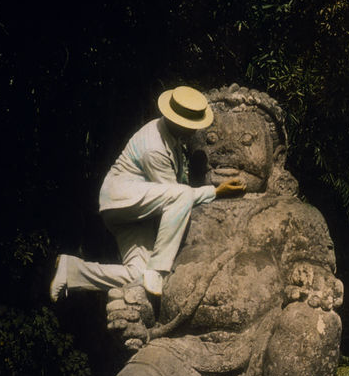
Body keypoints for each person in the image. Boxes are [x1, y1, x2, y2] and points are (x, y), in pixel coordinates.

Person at [50, 86, 246, 301]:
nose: (194, 131)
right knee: (180, 196)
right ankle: (158, 268)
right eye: (192, 126)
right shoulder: (154, 147)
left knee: (138, 276)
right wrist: (215, 191)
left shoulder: (170, 136)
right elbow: (177, 196)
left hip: (137, 212)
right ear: (178, 121)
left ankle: (73, 271)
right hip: (122, 200)